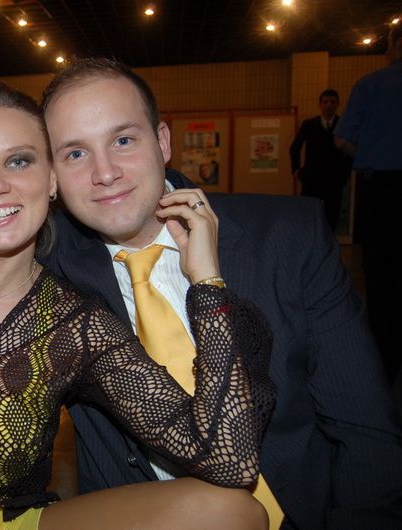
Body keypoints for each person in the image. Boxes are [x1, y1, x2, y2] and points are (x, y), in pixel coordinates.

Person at [0, 80, 275, 530]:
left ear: (51, 180)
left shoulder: (73, 324)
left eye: (18, 161)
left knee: (232, 512)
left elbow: (230, 460)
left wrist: (206, 283)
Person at [41, 57, 402, 530]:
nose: (105, 172)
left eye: (123, 140)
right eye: (75, 154)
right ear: (52, 175)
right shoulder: (46, 274)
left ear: (163, 141)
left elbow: (364, 429)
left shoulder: (287, 239)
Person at [335, 23, 402, 387]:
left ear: (396, 44)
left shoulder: (372, 85)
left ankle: (383, 364)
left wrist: (377, 148)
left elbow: (343, 140)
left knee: (381, 278)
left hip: (384, 190)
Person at [289, 89, 352, 231]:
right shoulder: (309, 124)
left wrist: (344, 176)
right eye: (325, 102)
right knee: (309, 216)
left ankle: (328, 244)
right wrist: (296, 170)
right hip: (311, 180)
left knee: (331, 219)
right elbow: (295, 147)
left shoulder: (343, 125)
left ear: (337, 104)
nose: (329, 105)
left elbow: (350, 152)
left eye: (332, 102)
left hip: (334, 181)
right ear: (320, 105)